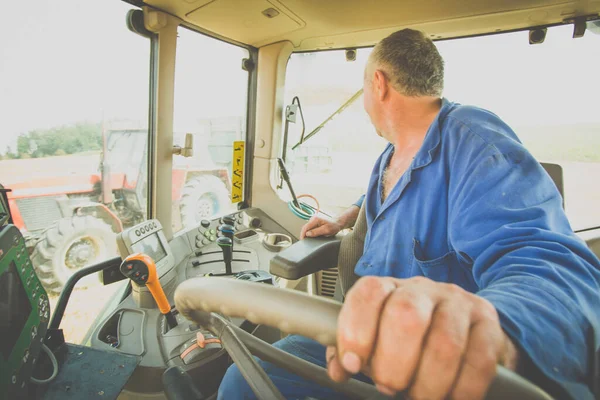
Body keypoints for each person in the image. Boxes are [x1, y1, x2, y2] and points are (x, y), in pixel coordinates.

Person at [218, 28, 600, 400]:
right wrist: (345, 217)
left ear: (378, 84)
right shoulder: (392, 155)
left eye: (364, 89)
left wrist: (496, 330)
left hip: (430, 357)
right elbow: (387, 192)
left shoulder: (473, 139)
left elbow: (545, 260)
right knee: (243, 377)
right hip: (361, 334)